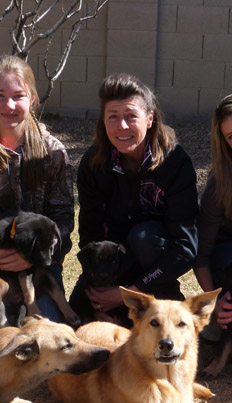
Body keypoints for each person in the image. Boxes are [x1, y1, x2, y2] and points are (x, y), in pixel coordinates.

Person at [70, 73, 199, 323]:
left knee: (144, 237)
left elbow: (185, 247)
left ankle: (163, 302)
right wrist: (100, 293)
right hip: (110, 265)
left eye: (131, 116)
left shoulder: (175, 163)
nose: (122, 126)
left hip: (153, 263)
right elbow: (89, 235)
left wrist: (128, 294)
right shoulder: (93, 163)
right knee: (75, 315)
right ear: (103, 121)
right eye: (113, 117)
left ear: (150, 119)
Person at [0, 55, 73, 321]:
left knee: (45, 341)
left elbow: (64, 220)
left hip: (39, 270)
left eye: (18, 95)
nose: (8, 105)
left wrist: (35, 255)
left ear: (32, 98)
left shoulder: (52, 152)